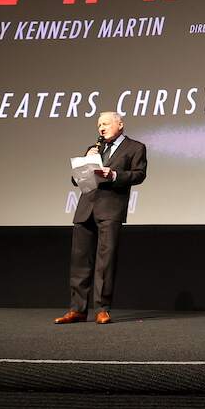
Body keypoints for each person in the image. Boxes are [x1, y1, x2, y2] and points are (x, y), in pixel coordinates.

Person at [55, 111, 147, 325]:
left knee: (105, 262)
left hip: (110, 209)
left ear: (120, 124)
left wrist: (113, 175)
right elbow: (74, 180)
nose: (101, 128)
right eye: (99, 125)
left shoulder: (135, 147)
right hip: (86, 208)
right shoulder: (94, 149)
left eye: (106, 124)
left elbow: (139, 174)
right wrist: (85, 162)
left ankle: (102, 309)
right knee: (79, 261)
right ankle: (77, 309)